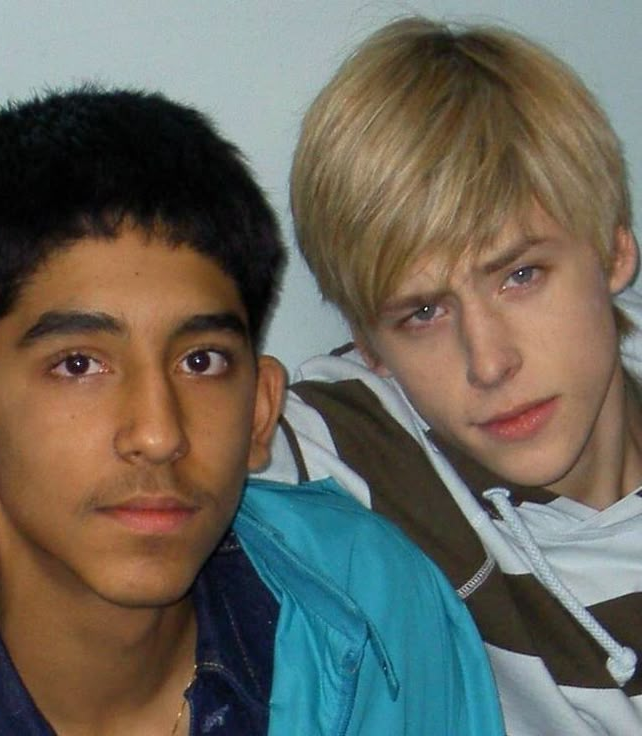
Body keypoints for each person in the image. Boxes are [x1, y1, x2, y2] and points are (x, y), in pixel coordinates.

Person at [0, 85, 503, 735]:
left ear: (259, 410)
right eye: (78, 364)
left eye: (202, 362)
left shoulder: (372, 604)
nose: (159, 435)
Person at [265, 16, 642, 735]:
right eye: (423, 313)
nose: (489, 361)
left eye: (521, 275)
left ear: (615, 249)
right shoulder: (357, 441)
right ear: (368, 344)